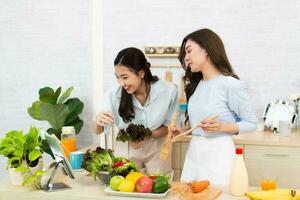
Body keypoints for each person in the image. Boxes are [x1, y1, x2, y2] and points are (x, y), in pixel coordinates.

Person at [171, 28, 257, 186]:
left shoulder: (231, 84)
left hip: (219, 155)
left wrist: (222, 126)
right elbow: (201, 125)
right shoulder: (196, 86)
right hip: (194, 154)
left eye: (189, 51)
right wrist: (185, 131)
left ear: (206, 50)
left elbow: (251, 123)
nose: (186, 58)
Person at [93, 47, 178, 175]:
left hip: (157, 148)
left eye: (125, 77)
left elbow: (170, 127)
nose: (121, 83)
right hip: (126, 148)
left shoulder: (169, 91)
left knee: (159, 187)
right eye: (117, 78)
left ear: (141, 73)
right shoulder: (113, 95)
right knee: (126, 188)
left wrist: (148, 135)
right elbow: (97, 130)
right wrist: (97, 120)